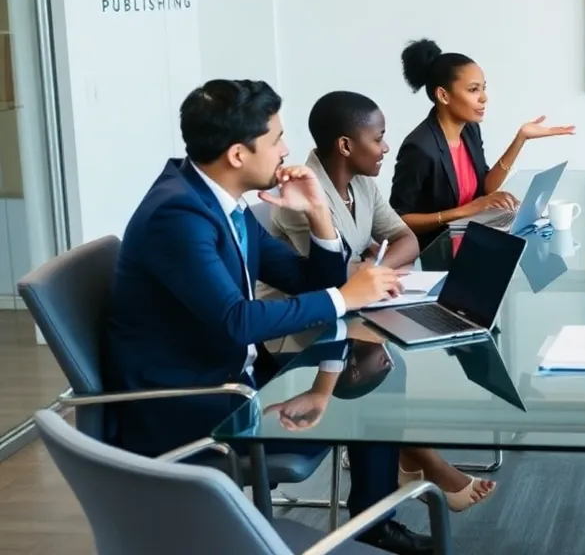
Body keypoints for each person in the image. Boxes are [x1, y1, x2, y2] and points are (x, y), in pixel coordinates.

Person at [103, 79, 433, 554]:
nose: (287, 149)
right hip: (193, 409)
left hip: (234, 380)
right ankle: (366, 526)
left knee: (373, 380)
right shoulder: (177, 214)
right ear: (239, 154)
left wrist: (320, 213)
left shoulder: (220, 201)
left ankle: (371, 523)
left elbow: (305, 280)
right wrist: (344, 296)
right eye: (276, 138)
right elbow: (237, 320)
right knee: (368, 386)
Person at [267, 90, 495, 509]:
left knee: (398, 355)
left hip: (352, 315)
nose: (386, 146)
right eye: (379, 137)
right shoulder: (302, 201)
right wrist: (370, 269)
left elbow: (404, 238)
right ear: (345, 145)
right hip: (302, 332)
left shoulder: (364, 184)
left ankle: (402, 473)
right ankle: (409, 472)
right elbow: (329, 280)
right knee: (384, 369)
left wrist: (374, 265)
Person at [390, 39, 575, 252]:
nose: (484, 98)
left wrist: (520, 139)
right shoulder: (420, 147)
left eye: (483, 88)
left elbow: (486, 187)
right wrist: (464, 211)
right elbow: (399, 221)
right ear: (443, 95)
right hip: (437, 255)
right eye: (473, 89)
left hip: (472, 243)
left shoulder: (469, 130)